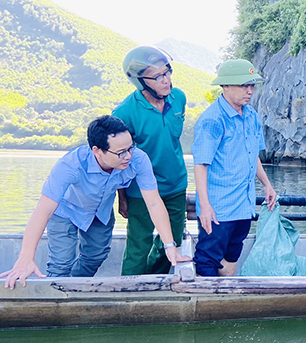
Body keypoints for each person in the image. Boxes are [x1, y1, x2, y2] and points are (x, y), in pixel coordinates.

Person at [2, 116, 189, 289]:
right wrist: (26, 258)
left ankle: (73, 288)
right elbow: (43, 211)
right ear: (97, 151)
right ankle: (57, 296)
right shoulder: (71, 165)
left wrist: (169, 246)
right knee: (61, 262)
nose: (129, 156)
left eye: (131, 148)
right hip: (66, 211)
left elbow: (154, 203)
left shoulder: (138, 160)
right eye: (121, 152)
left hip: (101, 212)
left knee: (95, 257)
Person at [192, 59, 278, 277]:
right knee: (208, 257)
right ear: (225, 86)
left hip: (244, 203)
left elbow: (253, 156)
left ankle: (224, 302)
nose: (249, 91)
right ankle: (207, 307)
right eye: (243, 86)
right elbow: (201, 164)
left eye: (252, 86)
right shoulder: (212, 120)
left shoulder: (251, 116)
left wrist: (267, 185)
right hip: (219, 206)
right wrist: (206, 205)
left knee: (232, 254)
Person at [113, 46, 187, 275]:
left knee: (172, 240)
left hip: (175, 185)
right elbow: (119, 161)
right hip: (140, 190)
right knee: (138, 245)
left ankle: (155, 282)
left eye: (167, 72)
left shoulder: (179, 98)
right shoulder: (124, 113)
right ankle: (128, 293)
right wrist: (122, 197)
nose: (166, 80)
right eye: (157, 76)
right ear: (140, 81)